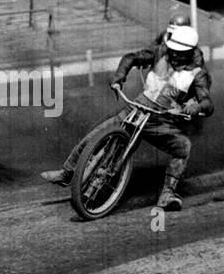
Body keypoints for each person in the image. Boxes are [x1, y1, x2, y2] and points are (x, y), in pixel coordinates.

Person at [41, 24, 213, 211]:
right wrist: (118, 77)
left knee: (183, 147)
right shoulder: (161, 51)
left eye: (179, 52)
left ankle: (168, 194)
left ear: (190, 52)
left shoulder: (198, 73)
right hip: (136, 108)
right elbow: (130, 58)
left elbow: (207, 104)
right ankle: (67, 173)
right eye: (172, 50)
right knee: (95, 135)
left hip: (160, 120)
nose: (174, 55)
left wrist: (194, 108)